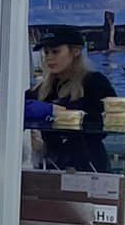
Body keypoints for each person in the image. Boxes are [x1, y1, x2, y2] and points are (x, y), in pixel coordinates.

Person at [27, 25, 117, 172]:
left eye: (55, 52)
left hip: (89, 165)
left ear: (75, 52)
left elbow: (108, 123)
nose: (49, 57)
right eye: (46, 52)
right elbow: (18, 106)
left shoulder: (95, 82)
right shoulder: (42, 89)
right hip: (52, 165)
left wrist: (65, 114)